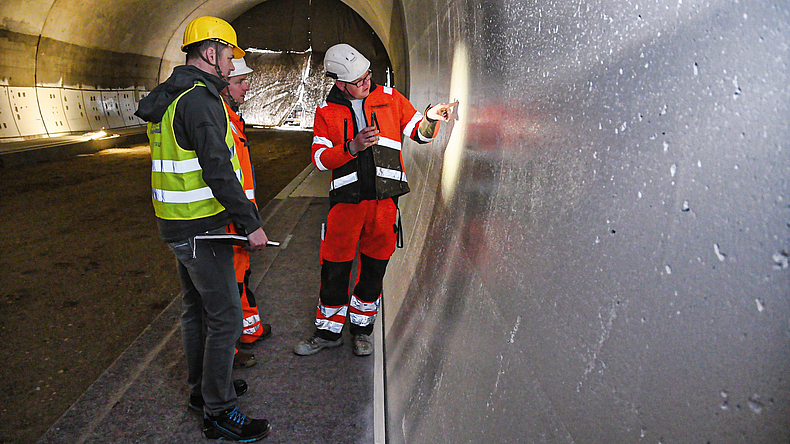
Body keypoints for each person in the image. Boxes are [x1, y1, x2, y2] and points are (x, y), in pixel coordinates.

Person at [134, 16, 271, 442]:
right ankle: (219, 410)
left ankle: (202, 391)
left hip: (177, 224)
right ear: (211, 53)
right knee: (227, 317)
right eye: (230, 54)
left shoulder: (173, 95)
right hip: (202, 227)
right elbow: (217, 168)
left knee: (197, 310)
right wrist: (250, 223)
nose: (233, 63)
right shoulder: (201, 100)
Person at [293, 43, 457, 357]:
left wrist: (431, 116)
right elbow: (319, 159)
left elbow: (419, 134)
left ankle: (362, 331)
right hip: (346, 207)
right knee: (335, 273)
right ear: (339, 83)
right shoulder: (326, 113)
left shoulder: (391, 99)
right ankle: (327, 334)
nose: (366, 83)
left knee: (373, 273)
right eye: (358, 81)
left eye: (368, 76)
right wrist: (351, 147)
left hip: (384, 207)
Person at [219, 57, 272, 370]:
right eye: (239, 81)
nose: (246, 86)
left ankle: (250, 332)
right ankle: (229, 353)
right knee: (228, 288)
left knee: (240, 278)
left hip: (238, 221)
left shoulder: (231, 118)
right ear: (224, 85)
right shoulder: (220, 120)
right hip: (228, 222)